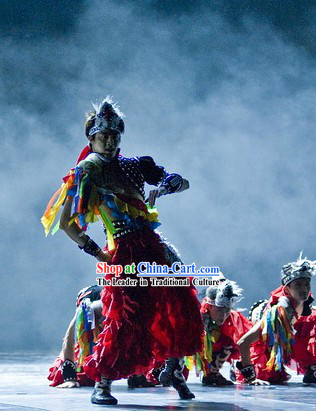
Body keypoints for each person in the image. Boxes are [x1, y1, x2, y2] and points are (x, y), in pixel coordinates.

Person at [42, 97, 203, 405]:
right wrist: (97, 253)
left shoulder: (134, 165)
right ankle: (102, 384)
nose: (110, 140)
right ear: (92, 138)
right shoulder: (87, 171)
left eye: (114, 135)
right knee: (126, 317)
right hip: (124, 251)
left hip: (152, 246)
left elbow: (182, 182)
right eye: (104, 136)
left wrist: (166, 187)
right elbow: (65, 223)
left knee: (181, 299)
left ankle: (173, 368)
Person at [237, 253, 316, 385]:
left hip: (289, 340)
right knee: (269, 375)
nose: (304, 289)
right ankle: (237, 367)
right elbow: (243, 342)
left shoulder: (308, 305)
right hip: (268, 343)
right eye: (298, 285)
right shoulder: (276, 314)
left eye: (306, 284)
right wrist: (250, 377)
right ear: (287, 289)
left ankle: (312, 369)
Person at [186, 279, 252, 385]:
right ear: (209, 306)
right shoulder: (197, 318)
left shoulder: (233, 320)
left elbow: (243, 345)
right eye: (219, 310)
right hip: (194, 347)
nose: (223, 316)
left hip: (216, 349)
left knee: (231, 342)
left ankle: (213, 372)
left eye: (227, 311)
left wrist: (250, 377)